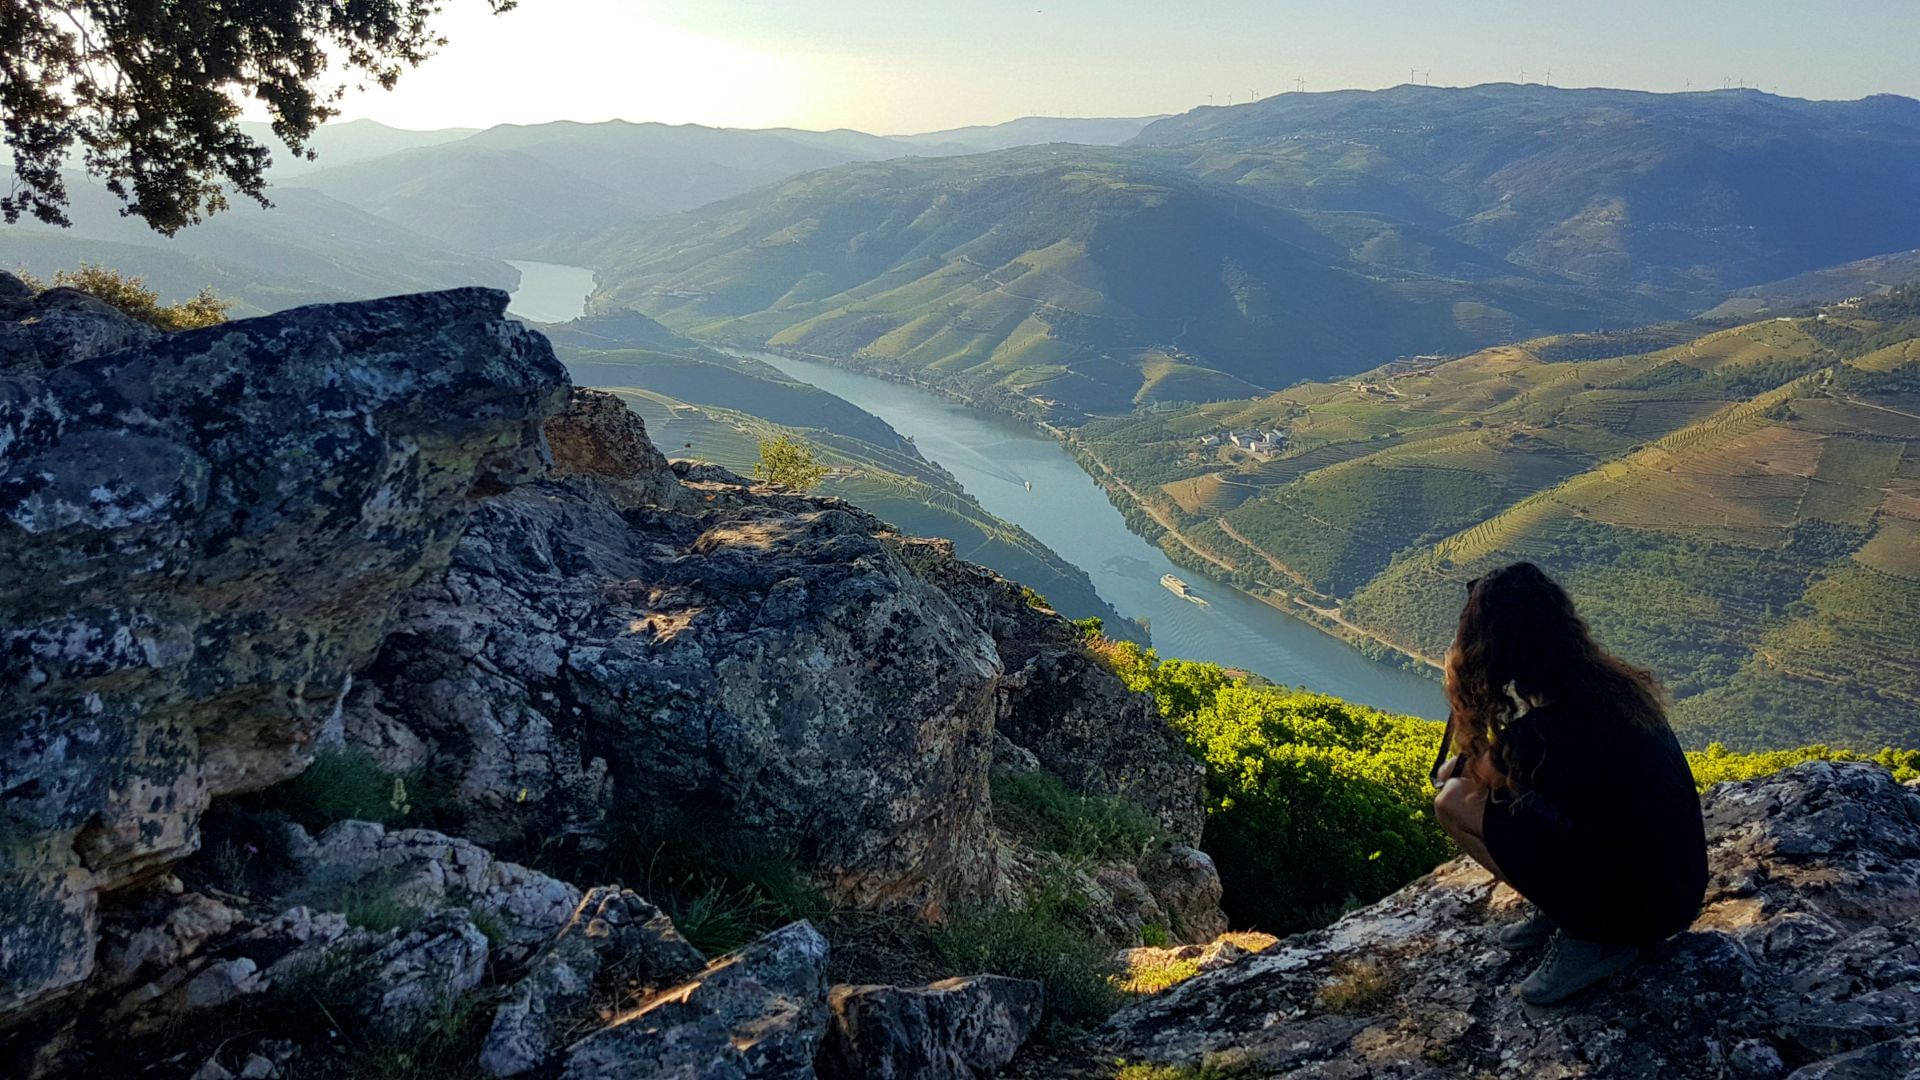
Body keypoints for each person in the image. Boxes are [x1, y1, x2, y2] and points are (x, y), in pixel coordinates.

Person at [1429, 562, 1708, 1006]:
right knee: (1485, 793)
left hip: (1645, 910)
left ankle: (1589, 933)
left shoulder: (1543, 735)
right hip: (1679, 890)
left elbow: (1454, 781)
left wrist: (1460, 692)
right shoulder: (1613, 691)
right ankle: (1573, 908)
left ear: (1493, 650)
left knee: (1452, 803)